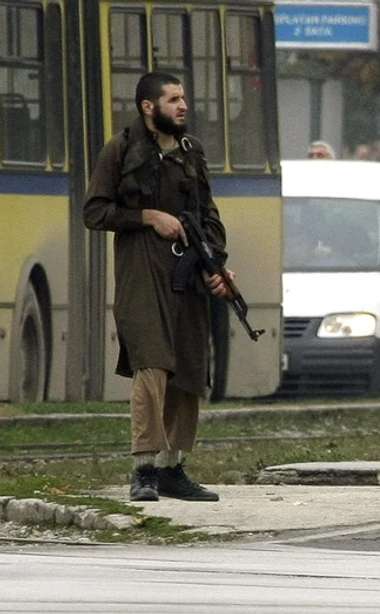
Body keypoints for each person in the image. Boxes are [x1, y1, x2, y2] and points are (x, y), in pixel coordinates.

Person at [84, 72, 234, 502]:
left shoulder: (191, 151)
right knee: (151, 362)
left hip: (186, 273)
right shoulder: (121, 149)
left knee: (188, 366)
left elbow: (208, 216)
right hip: (141, 270)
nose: (183, 106)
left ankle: (172, 468)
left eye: (183, 98)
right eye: (173, 99)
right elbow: (95, 211)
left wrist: (215, 265)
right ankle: (144, 468)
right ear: (149, 107)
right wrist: (149, 217)